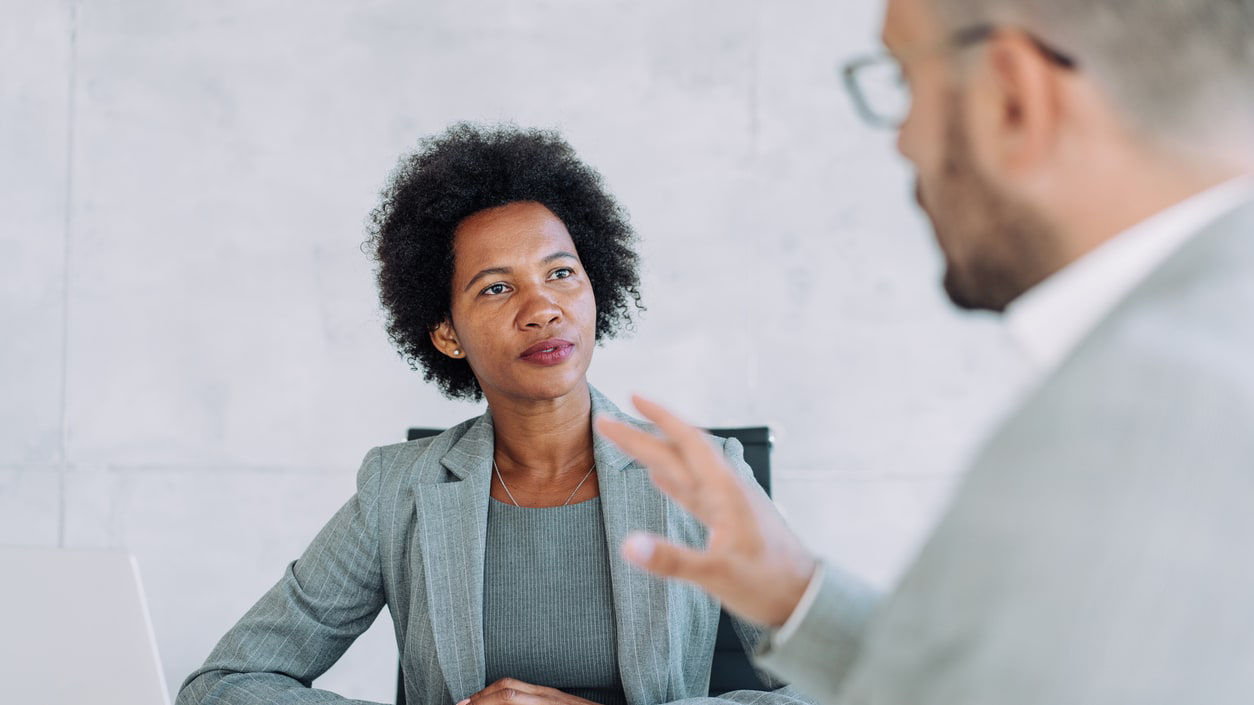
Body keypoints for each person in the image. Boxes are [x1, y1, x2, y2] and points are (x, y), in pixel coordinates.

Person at [597, 0, 1254, 702]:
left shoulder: (1147, 407)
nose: (901, 142)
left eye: (905, 83)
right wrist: (797, 597)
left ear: (1012, 98)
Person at [176, 124, 814, 705]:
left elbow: (842, 691)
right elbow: (222, 688)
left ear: (597, 290)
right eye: (497, 287)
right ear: (448, 333)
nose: (542, 308)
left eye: (561, 272)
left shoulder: (703, 477)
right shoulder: (398, 491)